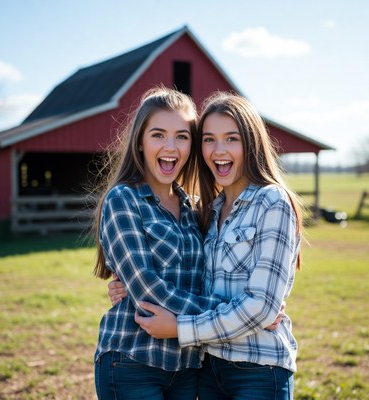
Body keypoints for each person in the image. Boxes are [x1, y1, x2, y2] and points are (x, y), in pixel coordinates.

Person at [130, 92, 303, 400]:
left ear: (251, 144)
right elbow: (184, 275)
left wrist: (182, 328)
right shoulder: (207, 211)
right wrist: (125, 286)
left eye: (231, 139)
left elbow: (262, 307)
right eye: (209, 140)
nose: (218, 150)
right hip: (209, 370)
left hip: (259, 369)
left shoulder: (272, 202)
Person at [92, 86, 233, 400]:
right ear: (140, 142)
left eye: (182, 136)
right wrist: (233, 313)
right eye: (158, 134)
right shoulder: (124, 200)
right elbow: (147, 289)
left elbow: (212, 277)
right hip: (132, 361)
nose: (171, 146)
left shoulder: (197, 209)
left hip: (187, 369)